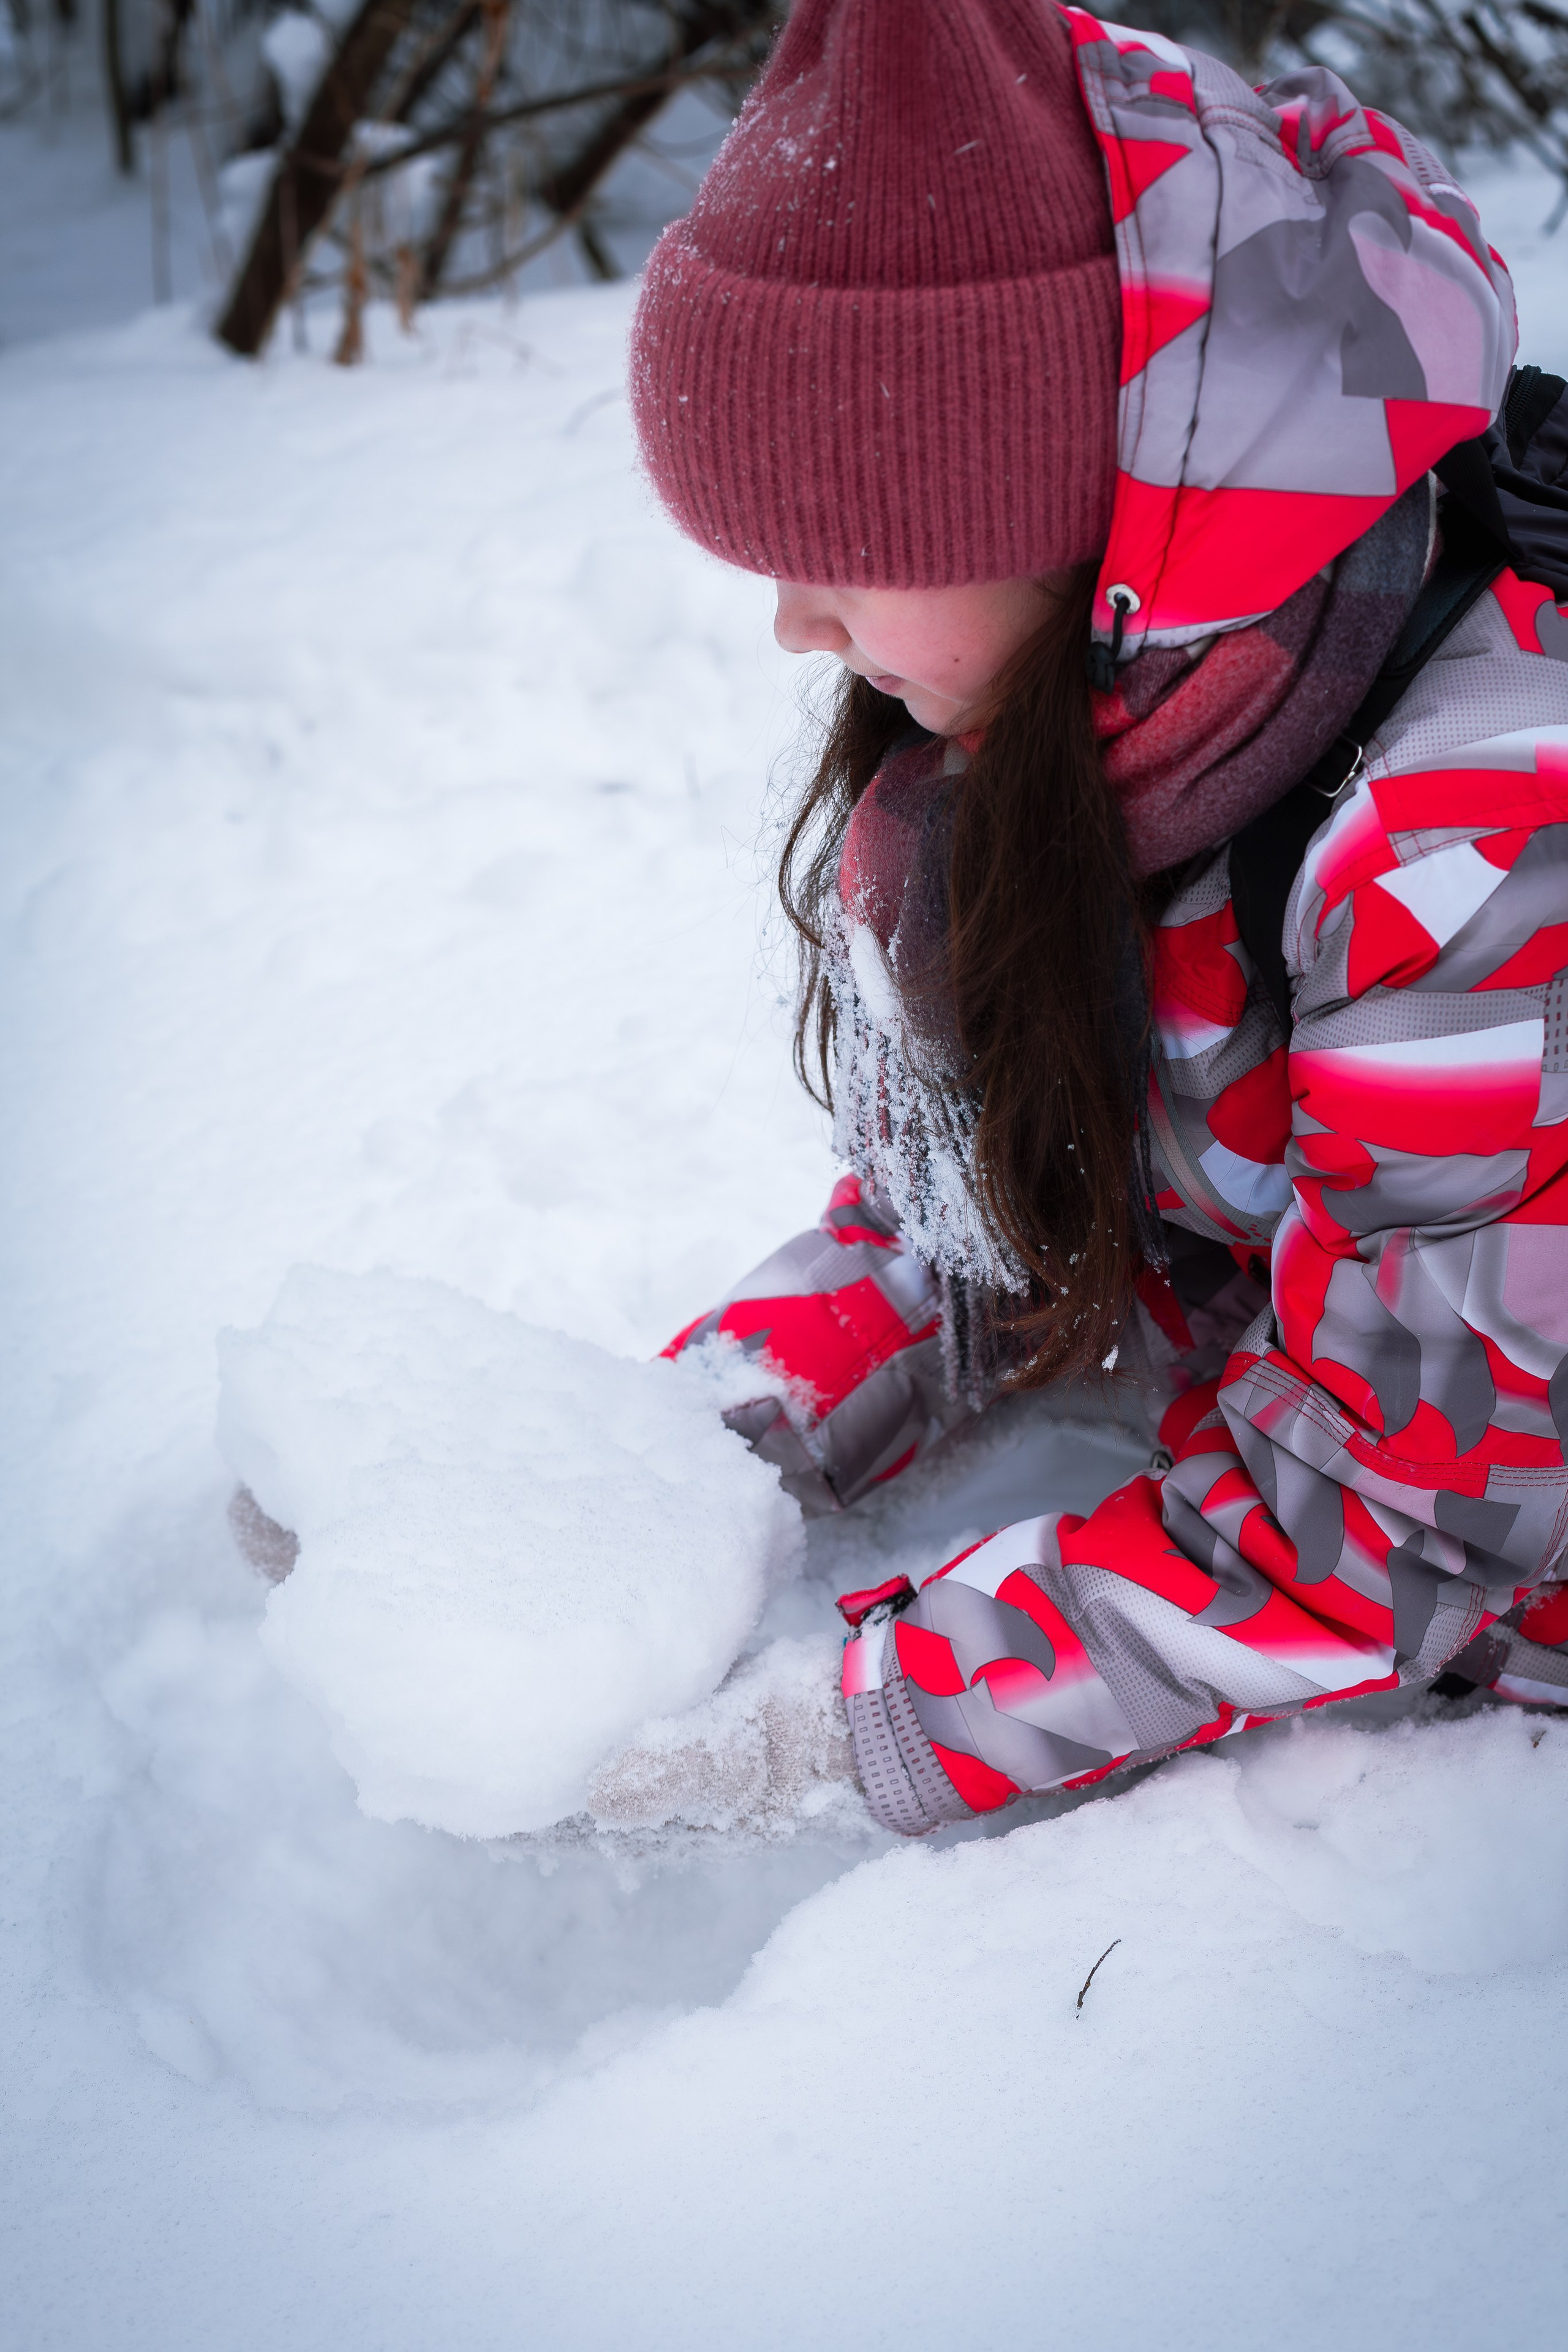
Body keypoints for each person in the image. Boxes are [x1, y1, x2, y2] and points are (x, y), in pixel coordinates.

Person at [630, 0, 1568, 1834]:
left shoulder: (1474, 854)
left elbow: (1406, 1522)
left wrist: (858, 1725)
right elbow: (998, 1220)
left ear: (1084, 518)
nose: (793, 629)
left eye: (839, 547)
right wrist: (646, 1472)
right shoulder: (1133, 717)